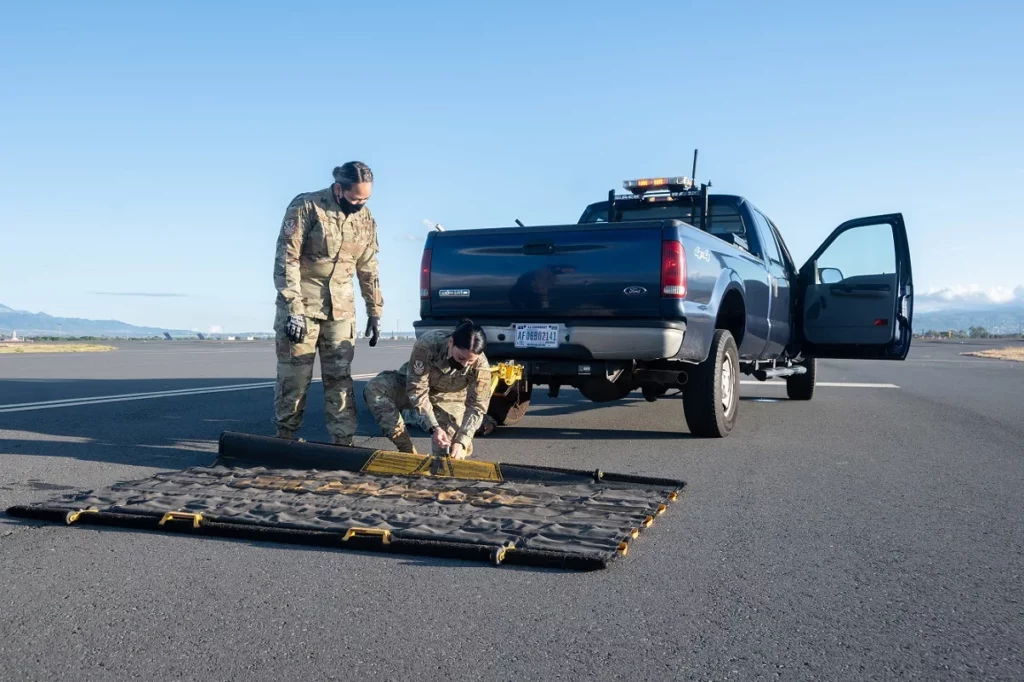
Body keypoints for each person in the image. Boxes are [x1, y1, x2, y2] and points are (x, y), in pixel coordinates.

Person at [272, 161, 384, 445]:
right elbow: (287, 259)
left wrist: (375, 311)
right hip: (303, 306)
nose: (360, 204)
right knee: (295, 378)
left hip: (341, 311)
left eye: (366, 199)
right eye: (355, 199)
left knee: (340, 379)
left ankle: (343, 441)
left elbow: (368, 268)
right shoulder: (307, 207)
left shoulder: (365, 219)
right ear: (338, 189)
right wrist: (293, 310)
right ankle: (285, 437)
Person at [364, 320, 492, 459]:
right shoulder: (428, 344)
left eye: (470, 361)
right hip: (413, 387)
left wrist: (462, 441)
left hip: (449, 398)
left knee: (448, 449)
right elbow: (417, 390)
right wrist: (434, 427)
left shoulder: (481, 366)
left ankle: (450, 452)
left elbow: (477, 406)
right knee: (375, 389)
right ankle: (407, 451)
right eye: (460, 358)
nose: (465, 365)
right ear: (451, 342)